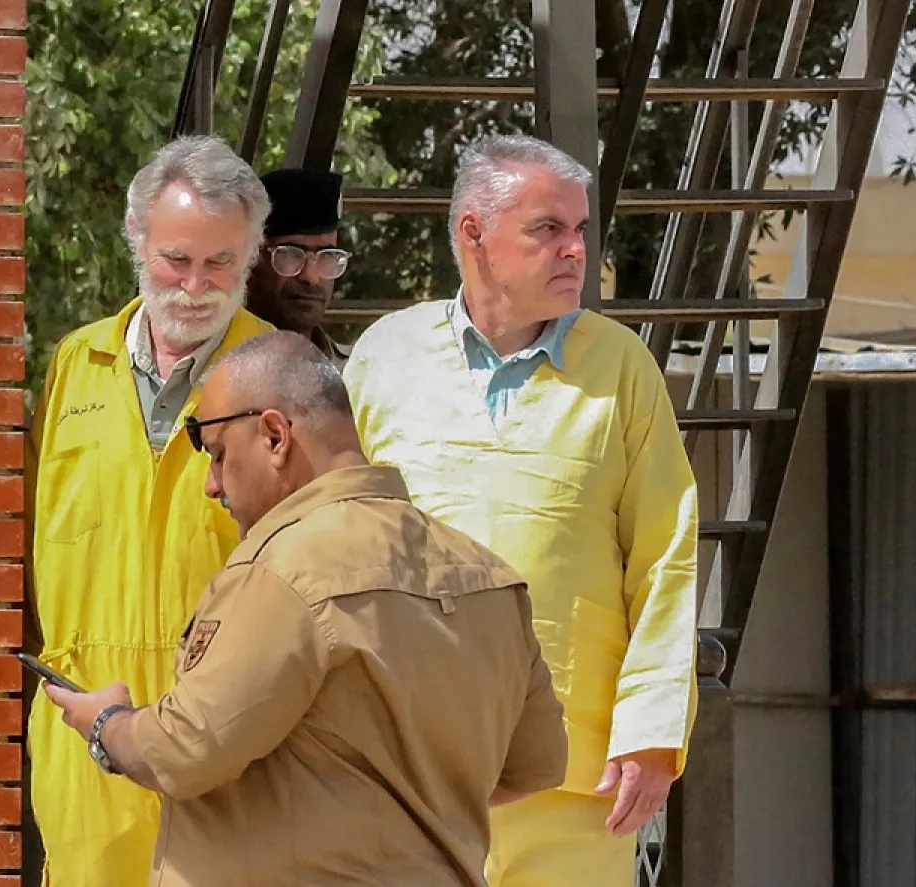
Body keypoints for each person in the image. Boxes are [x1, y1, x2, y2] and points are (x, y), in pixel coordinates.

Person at [42, 331, 568, 887]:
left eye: (219, 455)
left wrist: (107, 723)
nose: (211, 485)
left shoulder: (282, 569)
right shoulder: (488, 577)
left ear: (274, 435)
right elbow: (537, 764)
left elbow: (184, 750)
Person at [342, 133, 700, 887]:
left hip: (575, 776)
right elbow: (332, 543)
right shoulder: (384, 357)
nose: (576, 250)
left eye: (580, 230)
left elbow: (667, 559)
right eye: (548, 229)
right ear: (474, 233)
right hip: (410, 766)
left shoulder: (622, 367)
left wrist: (653, 734)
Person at [24, 135, 273, 886]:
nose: (196, 285)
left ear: (251, 258)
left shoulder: (280, 374)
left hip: (225, 744)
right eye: (177, 259)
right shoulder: (75, 363)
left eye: (220, 263)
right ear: (137, 241)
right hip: (81, 742)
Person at [246, 168, 351, 365]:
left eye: (327, 256)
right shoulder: (210, 370)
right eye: (291, 254)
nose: (311, 277)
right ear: (252, 259)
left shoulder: (353, 373)